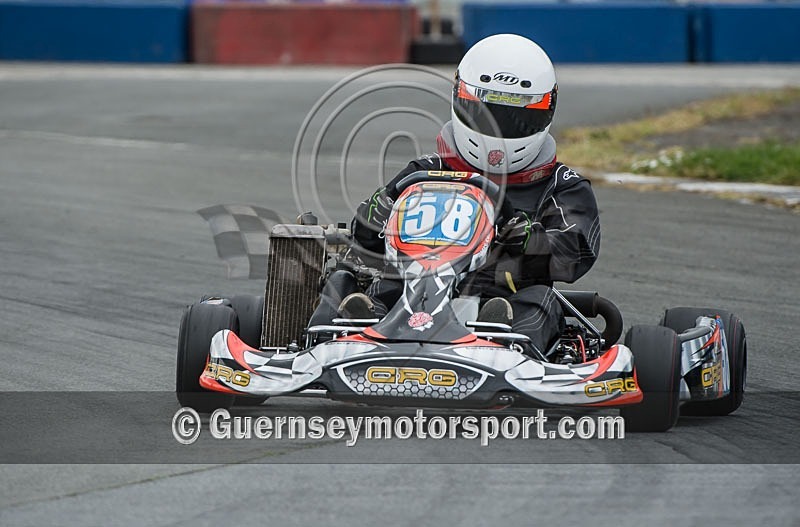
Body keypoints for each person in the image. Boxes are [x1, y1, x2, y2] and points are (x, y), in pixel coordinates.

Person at [313, 33, 601, 356]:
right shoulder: (424, 171)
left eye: (516, 117)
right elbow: (365, 243)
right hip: (410, 293)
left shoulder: (560, 185)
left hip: (502, 300)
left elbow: (576, 252)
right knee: (363, 284)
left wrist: (529, 240)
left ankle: (507, 351)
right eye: (485, 112)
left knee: (537, 300)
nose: (498, 128)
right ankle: (344, 341)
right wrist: (372, 218)